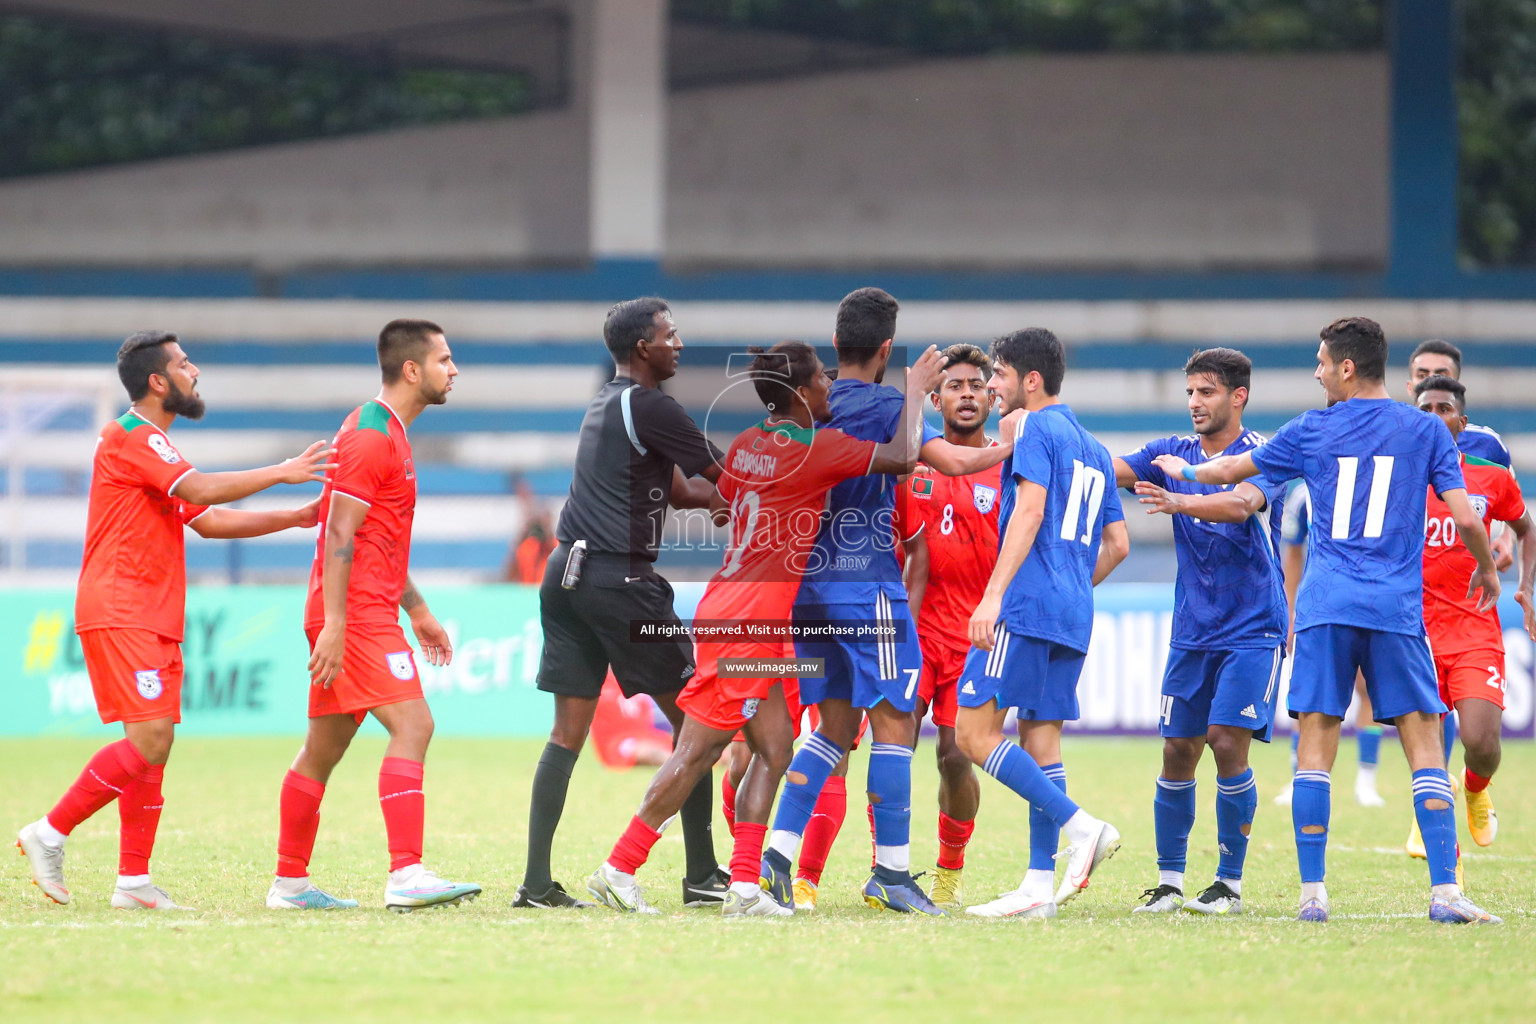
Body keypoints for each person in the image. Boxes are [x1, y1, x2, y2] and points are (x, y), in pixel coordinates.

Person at [1153, 316, 1503, 925]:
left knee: (1315, 746)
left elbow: (1230, 471)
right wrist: (1489, 570)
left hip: (1323, 606)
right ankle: (1446, 894)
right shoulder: (1424, 429)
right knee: (1423, 743)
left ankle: (1313, 894)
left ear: (1346, 366)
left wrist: (1176, 474)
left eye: (1320, 362)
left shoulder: (1310, 429)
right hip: (1395, 607)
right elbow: (1469, 520)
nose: (1315, 372)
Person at [585, 340, 945, 916]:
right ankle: (619, 867)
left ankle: (746, 887)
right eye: (822, 385)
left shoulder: (750, 442)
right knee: (698, 749)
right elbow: (904, 457)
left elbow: (724, 501)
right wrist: (915, 389)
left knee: (776, 748)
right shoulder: (817, 448)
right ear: (802, 394)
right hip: (746, 619)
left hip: (746, 609)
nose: (831, 389)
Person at [16, 330, 332, 910]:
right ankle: (49, 832)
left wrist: (297, 517)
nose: (196, 371)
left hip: (152, 613)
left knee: (155, 740)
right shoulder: (134, 435)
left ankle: (134, 883)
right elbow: (202, 487)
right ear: (158, 381)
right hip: (122, 606)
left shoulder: (155, 449)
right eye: (186, 363)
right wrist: (283, 470)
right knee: (151, 738)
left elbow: (207, 519)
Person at [758, 289, 1012, 917]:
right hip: (866, 586)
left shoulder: (809, 405)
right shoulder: (886, 408)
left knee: (834, 730)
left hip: (810, 589)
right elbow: (953, 459)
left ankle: (776, 859)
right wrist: (1021, 444)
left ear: (839, 343)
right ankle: (892, 874)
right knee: (896, 724)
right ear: (886, 348)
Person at [516, 298, 725, 910]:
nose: (679, 343)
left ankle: (535, 885)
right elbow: (720, 470)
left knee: (566, 734)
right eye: (670, 334)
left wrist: (709, 502)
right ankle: (703, 877)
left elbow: (680, 486)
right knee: (695, 723)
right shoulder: (653, 404)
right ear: (644, 348)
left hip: (566, 576)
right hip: (620, 583)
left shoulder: (609, 401)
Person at [267, 319, 480, 912]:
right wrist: (335, 622)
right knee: (415, 726)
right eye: (445, 359)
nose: (454, 369)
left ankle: (289, 884)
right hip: (355, 613)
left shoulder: (389, 433)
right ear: (412, 370)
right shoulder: (368, 435)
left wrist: (420, 610)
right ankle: (406, 874)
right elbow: (339, 528)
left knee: (322, 751)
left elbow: (376, 540)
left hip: (366, 605)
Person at [953, 327, 1129, 919]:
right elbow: (1119, 544)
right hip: (1072, 611)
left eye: (998, 375)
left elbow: (1029, 509)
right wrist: (1071, 586)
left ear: (1030, 380)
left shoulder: (1035, 428)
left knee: (971, 734)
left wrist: (993, 596)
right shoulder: (1094, 447)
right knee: (1040, 737)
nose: (991, 387)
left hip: (1025, 607)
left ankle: (1083, 828)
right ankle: (1036, 886)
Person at [1113, 348, 1286, 916]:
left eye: (1206, 392)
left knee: (1226, 741)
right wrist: (1058, 444)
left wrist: (1179, 501)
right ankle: (1169, 883)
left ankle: (1229, 885)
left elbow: (1241, 505)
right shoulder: (1169, 451)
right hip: (1193, 628)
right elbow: (1113, 470)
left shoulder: (1264, 455)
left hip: (1253, 626)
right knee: (1177, 748)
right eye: (1190, 392)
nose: (1194, 403)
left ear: (1238, 397)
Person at [1411, 375, 1535, 854]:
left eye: (1444, 409)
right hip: (1413, 631)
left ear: (1460, 423)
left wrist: (1524, 588)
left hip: (1474, 626)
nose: (1435, 417)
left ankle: (1477, 788)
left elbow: (1526, 528)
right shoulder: (1396, 480)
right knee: (1426, 756)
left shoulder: (1490, 476)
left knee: (1481, 743)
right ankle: (1448, 874)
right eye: (1426, 409)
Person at [897, 343, 1001, 911]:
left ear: (992, 394)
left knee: (956, 756)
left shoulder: (1011, 467)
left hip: (976, 639)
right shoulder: (908, 464)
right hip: (914, 635)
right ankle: (887, 868)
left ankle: (948, 871)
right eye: (955, 386)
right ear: (935, 399)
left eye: (975, 385)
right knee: (894, 748)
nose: (966, 394)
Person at [1402, 340, 1515, 777]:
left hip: (1471, 613)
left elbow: (1505, 502)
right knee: (1427, 723)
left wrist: (1500, 542)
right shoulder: (1395, 442)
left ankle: (1471, 787)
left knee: (1482, 743)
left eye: (1440, 371)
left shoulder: (1486, 445)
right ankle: (1428, 808)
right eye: (1422, 372)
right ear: (1409, 381)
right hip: (1416, 614)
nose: (1429, 377)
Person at [1271, 482, 1385, 809]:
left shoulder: (1374, 482)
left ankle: (1366, 780)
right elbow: (1292, 551)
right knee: (1309, 695)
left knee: (1367, 688)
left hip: (1369, 605)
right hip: (1319, 609)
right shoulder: (1305, 492)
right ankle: (1299, 777)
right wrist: (1291, 612)